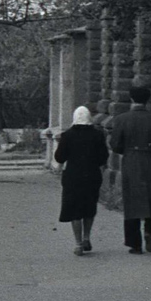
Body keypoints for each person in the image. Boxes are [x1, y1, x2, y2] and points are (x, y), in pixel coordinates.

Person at [109, 85, 151, 255]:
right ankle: (149, 231)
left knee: (132, 200)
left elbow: (115, 144)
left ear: (131, 99)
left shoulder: (121, 119)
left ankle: (135, 244)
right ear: (147, 100)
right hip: (150, 159)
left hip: (130, 160)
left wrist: (126, 150)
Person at [54, 106, 109, 256]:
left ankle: (78, 243)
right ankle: (87, 237)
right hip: (92, 175)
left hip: (73, 176)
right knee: (89, 207)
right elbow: (103, 157)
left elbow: (59, 157)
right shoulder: (97, 135)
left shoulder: (67, 136)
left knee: (75, 209)